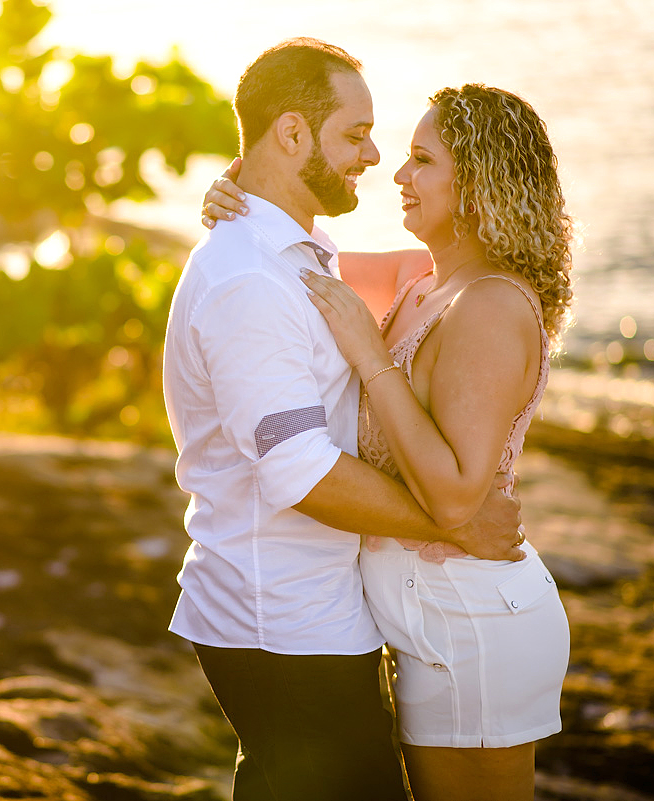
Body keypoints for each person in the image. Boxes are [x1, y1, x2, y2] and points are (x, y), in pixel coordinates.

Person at [161, 39, 525, 801]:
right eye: (356, 133)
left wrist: (242, 185)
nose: (375, 155)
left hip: (306, 612)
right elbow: (303, 474)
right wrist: (456, 523)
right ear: (292, 134)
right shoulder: (250, 279)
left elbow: (442, 270)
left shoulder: (297, 251)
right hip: (280, 619)